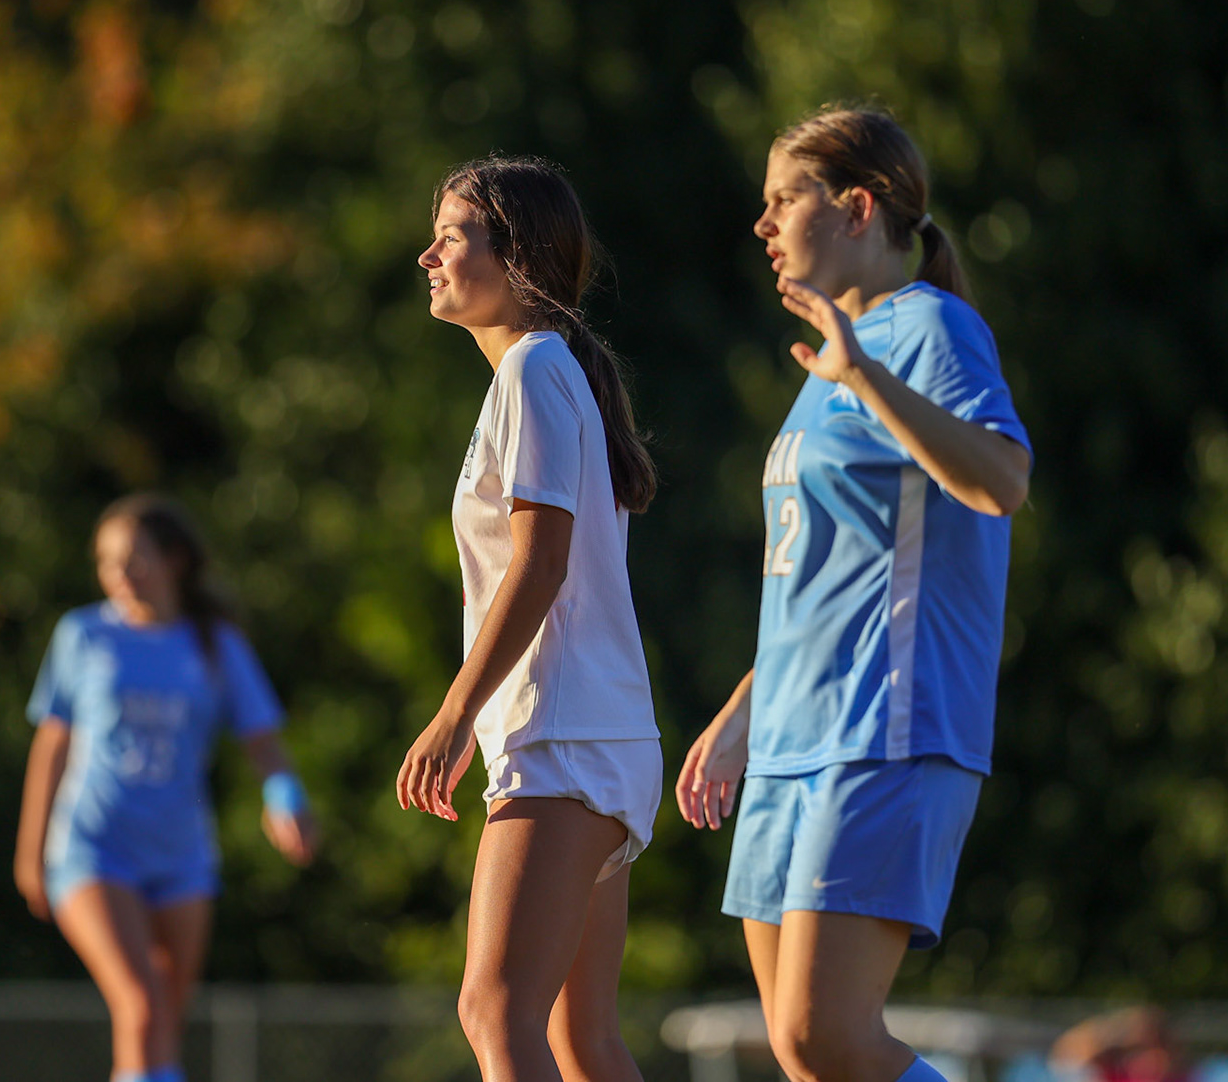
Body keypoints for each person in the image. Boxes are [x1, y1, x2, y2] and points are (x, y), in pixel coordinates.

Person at [675, 105, 1032, 1082]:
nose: (762, 224)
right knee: (802, 1056)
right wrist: (745, 713)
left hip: (886, 725)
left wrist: (867, 375)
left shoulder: (929, 327)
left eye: (781, 198)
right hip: (795, 735)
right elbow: (827, 577)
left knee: (826, 1035)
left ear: (856, 207)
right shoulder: (830, 354)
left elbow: (1001, 482)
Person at [398, 156, 662, 1082]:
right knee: (578, 1040)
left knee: (495, 1013)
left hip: (561, 736)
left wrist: (455, 713)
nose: (428, 254)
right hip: (594, 735)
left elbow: (541, 562)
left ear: (519, 260)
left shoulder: (537, 365)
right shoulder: (542, 371)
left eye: (454, 235)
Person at [14, 493, 316, 1082]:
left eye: (134, 558)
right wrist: (31, 850)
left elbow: (264, 744)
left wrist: (287, 802)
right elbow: (52, 745)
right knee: (140, 1003)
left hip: (181, 855)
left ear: (175, 558)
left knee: (161, 1027)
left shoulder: (213, 643)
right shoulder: (83, 636)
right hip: (93, 847)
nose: (120, 574)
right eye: (107, 561)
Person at [1051, 1007, 1195, 1082]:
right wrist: (1116, 1030)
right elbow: (1066, 1054)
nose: (1151, 1059)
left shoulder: (1182, 1076)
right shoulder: (1119, 1074)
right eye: (1140, 1050)